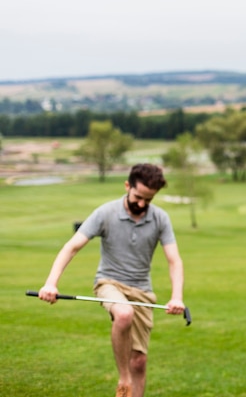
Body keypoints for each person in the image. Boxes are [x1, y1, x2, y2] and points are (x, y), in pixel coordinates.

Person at [38, 163, 186, 397]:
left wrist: (177, 297)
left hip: (142, 292)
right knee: (124, 314)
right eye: (138, 197)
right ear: (127, 185)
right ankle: (123, 379)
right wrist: (50, 283)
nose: (141, 205)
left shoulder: (160, 218)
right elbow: (72, 247)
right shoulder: (105, 213)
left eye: (148, 200)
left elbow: (174, 260)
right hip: (109, 283)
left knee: (139, 361)